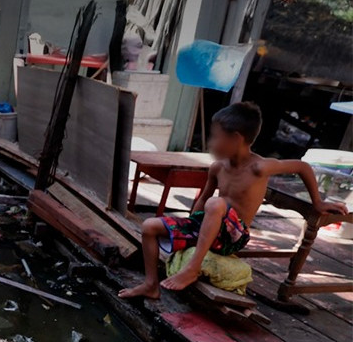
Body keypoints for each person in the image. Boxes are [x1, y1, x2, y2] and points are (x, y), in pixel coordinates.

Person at [118, 102, 348, 300]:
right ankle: (150, 285)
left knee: (216, 205)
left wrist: (317, 202)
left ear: (236, 139)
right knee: (150, 226)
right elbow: (202, 200)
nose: (211, 142)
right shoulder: (218, 167)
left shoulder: (259, 167)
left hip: (234, 235)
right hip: (208, 226)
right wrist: (189, 228)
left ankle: (192, 268)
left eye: (216, 136)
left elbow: (302, 166)